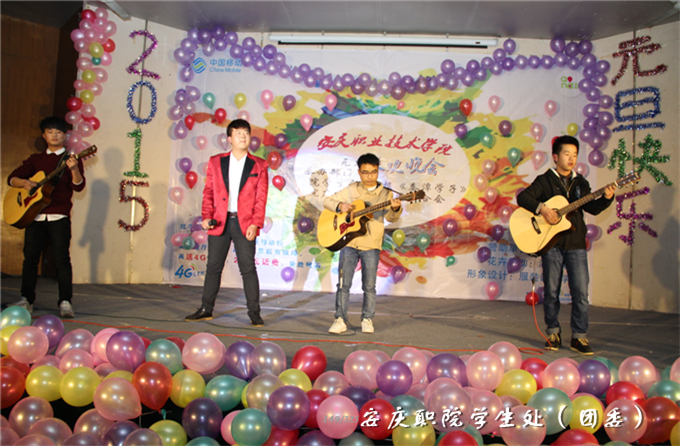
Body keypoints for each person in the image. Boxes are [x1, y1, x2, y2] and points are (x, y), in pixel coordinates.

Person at [517, 135, 615, 355]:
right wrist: (543, 209)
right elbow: (523, 198)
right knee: (552, 292)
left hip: (576, 244)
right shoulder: (545, 180)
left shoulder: (581, 183)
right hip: (552, 244)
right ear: (555, 157)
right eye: (566, 154)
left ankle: (579, 337)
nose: (571, 159)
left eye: (574, 155)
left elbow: (592, 208)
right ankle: (553, 332)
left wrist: (607, 198)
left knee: (580, 292)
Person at [185, 119, 269, 326]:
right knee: (213, 267)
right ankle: (206, 309)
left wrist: (255, 224)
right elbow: (208, 192)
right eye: (238, 133)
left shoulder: (259, 164)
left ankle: (254, 313)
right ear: (229, 138)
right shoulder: (216, 161)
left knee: (248, 268)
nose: (243, 136)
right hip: (219, 221)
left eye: (246, 133)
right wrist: (206, 217)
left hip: (244, 223)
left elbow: (261, 198)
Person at [8, 117, 86, 318]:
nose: (54, 135)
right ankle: (26, 299)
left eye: (58, 132)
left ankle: (65, 301)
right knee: (30, 259)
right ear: (44, 135)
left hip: (59, 217)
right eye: (50, 132)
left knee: (62, 259)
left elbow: (78, 186)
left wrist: (74, 169)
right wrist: (25, 183)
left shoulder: (71, 159)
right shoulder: (35, 160)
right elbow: (12, 179)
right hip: (34, 216)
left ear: (65, 136)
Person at [324, 153, 402, 334]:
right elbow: (328, 201)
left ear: (378, 171)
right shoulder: (352, 189)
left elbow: (391, 218)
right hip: (349, 242)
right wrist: (340, 206)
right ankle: (340, 319)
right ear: (359, 172)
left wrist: (396, 208)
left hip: (371, 243)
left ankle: (367, 318)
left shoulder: (386, 194)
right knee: (343, 284)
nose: (370, 176)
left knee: (369, 286)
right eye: (365, 172)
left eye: (373, 172)